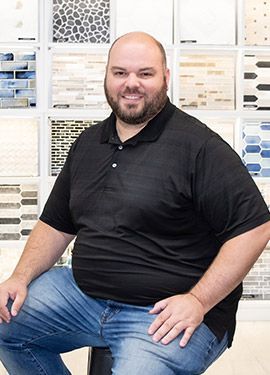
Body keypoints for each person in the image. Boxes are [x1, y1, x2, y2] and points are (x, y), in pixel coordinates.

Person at [0, 31, 270, 375]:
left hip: (167, 312)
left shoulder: (200, 147)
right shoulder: (87, 143)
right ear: (107, 77)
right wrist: (19, 278)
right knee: (6, 324)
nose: (132, 84)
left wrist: (198, 301)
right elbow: (56, 223)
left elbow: (255, 228)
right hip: (84, 296)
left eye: (145, 73)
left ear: (166, 78)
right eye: (120, 73)